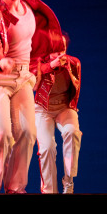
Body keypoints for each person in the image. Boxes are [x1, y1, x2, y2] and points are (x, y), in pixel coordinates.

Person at [0, 0, 66, 193]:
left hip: (23, 78)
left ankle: (16, 188)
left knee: (27, 132)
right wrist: (0, 60)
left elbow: (40, 40)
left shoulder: (31, 9)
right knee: (2, 134)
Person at [33, 42, 82, 194]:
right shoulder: (38, 64)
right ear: (48, 52)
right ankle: (49, 191)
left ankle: (68, 181)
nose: (59, 54)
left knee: (72, 132)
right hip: (43, 109)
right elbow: (33, 84)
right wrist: (50, 66)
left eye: (62, 49)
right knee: (47, 148)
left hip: (64, 107)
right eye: (55, 51)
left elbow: (76, 87)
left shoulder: (73, 63)